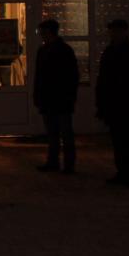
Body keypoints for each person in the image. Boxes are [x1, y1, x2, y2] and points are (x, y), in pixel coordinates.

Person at [95, 19, 129, 187]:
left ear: (124, 32)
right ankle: (124, 172)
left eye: (116, 31)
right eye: (112, 31)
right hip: (118, 105)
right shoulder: (112, 52)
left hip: (128, 105)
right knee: (120, 141)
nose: (113, 34)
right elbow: (103, 80)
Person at [33, 19, 79, 174]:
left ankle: (64, 164)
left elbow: (72, 76)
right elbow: (39, 76)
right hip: (52, 98)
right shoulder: (48, 50)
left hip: (59, 98)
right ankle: (56, 162)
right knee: (55, 133)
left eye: (42, 32)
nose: (41, 35)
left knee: (63, 133)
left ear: (49, 32)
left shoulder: (60, 51)